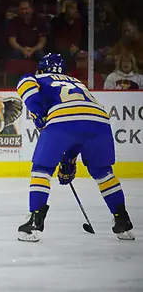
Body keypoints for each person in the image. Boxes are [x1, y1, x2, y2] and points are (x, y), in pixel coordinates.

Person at [16, 53, 135, 242]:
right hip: (99, 121)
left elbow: (26, 88)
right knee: (104, 173)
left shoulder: (36, 77)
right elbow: (79, 126)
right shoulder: (77, 82)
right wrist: (68, 161)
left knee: (42, 169)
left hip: (63, 119)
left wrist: (39, 113)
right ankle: (122, 220)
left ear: (40, 69)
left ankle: (35, 221)